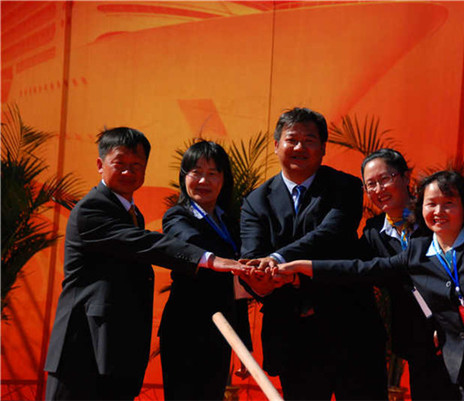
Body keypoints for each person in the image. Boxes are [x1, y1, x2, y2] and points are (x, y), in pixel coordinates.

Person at [270, 170, 464, 400]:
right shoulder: (417, 251)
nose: (439, 211)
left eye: (448, 203)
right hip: (451, 371)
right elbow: (360, 269)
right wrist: (301, 267)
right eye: (430, 204)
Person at [44, 127, 243, 401]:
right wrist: (208, 258)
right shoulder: (92, 209)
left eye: (137, 165)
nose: (129, 172)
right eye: (120, 164)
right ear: (101, 164)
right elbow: (144, 243)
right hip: (84, 348)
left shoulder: (131, 212)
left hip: (116, 349)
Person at [239, 107, 387, 400]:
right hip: (294, 340)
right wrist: (261, 277)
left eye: (309, 140)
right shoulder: (255, 201)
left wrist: (279, 261)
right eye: (291, 140)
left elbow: (331, 236)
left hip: (351, 330)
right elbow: (253, 255)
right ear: (276, 145)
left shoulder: (345, 187)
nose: (299, 147)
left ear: (323, 148)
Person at [360, 149, 458, 399]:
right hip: (416, 340)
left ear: (405, 177)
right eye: (371, 184)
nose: (379, 189)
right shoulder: (373, 233)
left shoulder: (434, 217)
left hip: (458, 331)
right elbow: (355, 271)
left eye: (385, 179)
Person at [158, 141, 251, 400]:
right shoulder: (177, 217)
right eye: (196, 172)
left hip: (222, 333)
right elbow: (192, 243)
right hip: (185, 330)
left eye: (212, 173)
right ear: (184, 176)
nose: (203, 181)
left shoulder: (232, 224)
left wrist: (243, 342)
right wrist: (232, 261)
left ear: (224, 179)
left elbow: (239, 286)